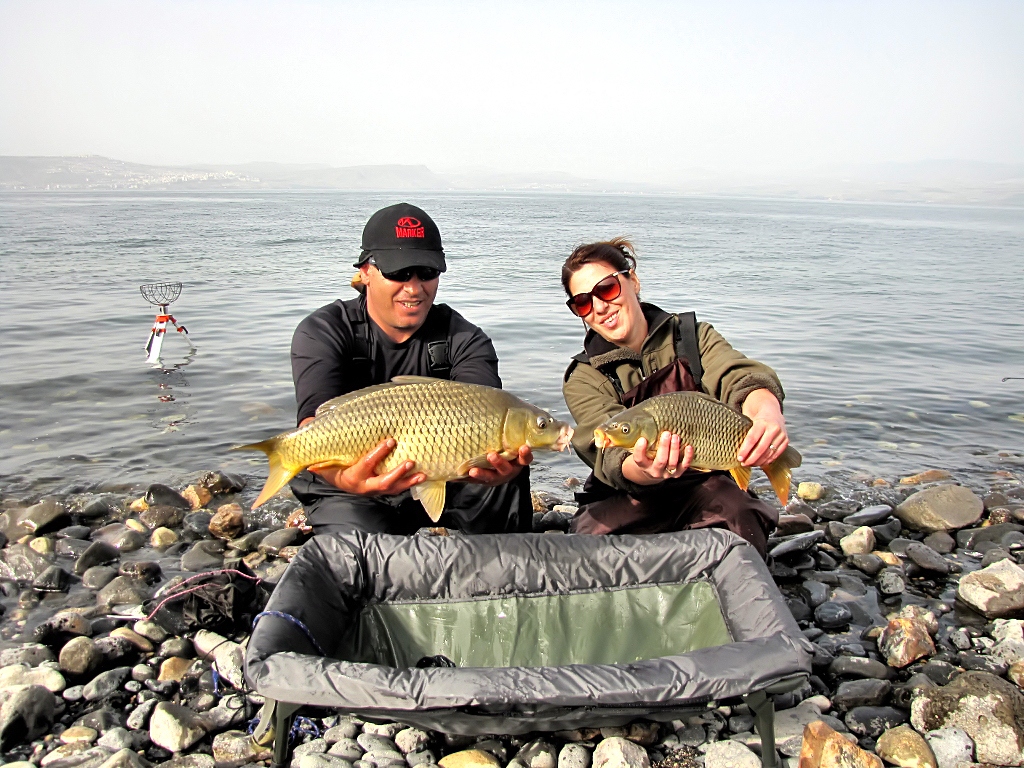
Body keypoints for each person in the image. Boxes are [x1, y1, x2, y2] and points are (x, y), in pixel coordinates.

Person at [289, 203, 534, 536]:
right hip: (349, 483)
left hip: (448, 477)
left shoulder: (465, 339)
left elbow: (490, 415)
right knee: (363, 558)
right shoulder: (323, 331)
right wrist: (346, 479)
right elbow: (312, 425)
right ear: (365, 272)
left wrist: (504, 469)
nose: (415, 288)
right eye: (399, 273)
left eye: (427, 272)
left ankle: (497, 578)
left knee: (506, 481)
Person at [561, 237, 787, 558]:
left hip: (703, 484)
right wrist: (642, 469)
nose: (599, 307)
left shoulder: (693, 338)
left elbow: (737, 376)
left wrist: (766, 413)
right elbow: (606, 454)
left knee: (741, 520)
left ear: (633, 280)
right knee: (589, 547)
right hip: (628, 494)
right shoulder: (584, 375)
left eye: (607, 289)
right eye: (582, 303)